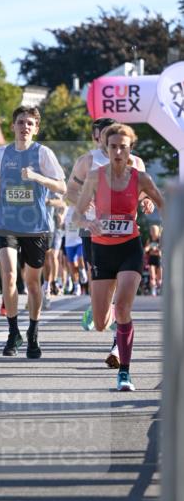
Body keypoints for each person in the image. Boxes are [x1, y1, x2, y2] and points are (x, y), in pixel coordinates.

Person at [74, 123, 164, 391]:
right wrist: (88, 223)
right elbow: (77, 213)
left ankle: (124, 372)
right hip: (102, 250)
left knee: (123, 308)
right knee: (101, 323)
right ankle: (103, 308)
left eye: (123, 147)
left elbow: (162, 204)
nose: (117, 151)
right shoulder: (94, 176)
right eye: (113, 146)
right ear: (106, 147)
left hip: (129, 249)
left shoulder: (141, 178)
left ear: (130, 150)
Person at [0, 105, 66, 359]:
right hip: (7, 222)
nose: (25, 127)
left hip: (35, 225)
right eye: (20, 122)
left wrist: (37, 178)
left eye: (30, 123)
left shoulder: (43, 153)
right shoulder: (2, 152)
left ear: (36, 128)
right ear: (13, 126)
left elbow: (62, 186)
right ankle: (12, 332)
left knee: (32, 283)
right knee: (8, 276)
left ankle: (33, 331)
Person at [145, 224, 163, 296]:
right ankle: (153, 290)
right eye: (151, 230)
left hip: (159, 259)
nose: (152, 232)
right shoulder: (149, 240)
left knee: (159, 277)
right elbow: (146, 249)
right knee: (152, 276)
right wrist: (148, 248)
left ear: (157, 231)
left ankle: (159, 289)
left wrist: (158, 250)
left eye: (154, 230)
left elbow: (162, 250)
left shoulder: (160, 240)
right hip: (151, 259)